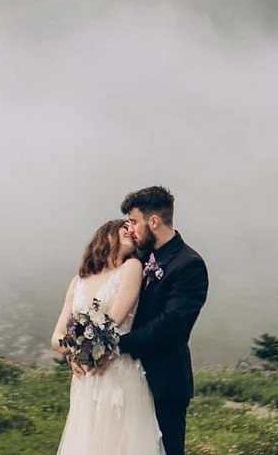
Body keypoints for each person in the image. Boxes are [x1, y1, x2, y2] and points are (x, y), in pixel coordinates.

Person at [50, 218, 164, 455]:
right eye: (124, 228)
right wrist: (74, 352)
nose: (131, 232)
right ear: (106, 235)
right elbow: (56, 337)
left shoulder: (131, 267)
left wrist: (85, 347)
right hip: (86, 380)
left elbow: (113, 320)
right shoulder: (78, 281)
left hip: (117, 370)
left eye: (133, 230)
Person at [117, 186, 208, 455]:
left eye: (134, 222)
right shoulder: (136, 258)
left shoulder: (188, 264)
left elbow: (172, 326)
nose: (130, 228)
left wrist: (115, 344)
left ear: (154, 221)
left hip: (163, 383)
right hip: (125, 379)